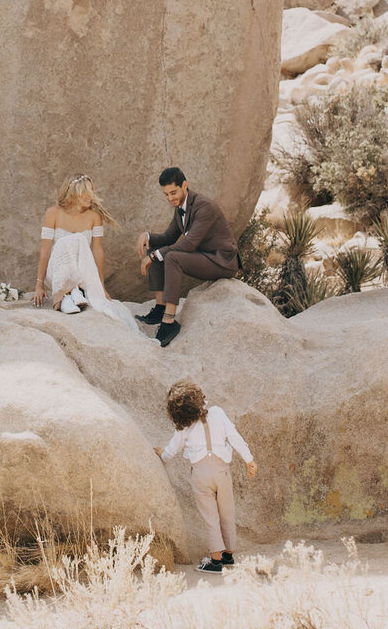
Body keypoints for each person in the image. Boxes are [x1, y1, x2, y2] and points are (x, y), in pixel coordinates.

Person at [154, 379, 257, 572]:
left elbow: (171, 451)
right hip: (222, 471)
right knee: (227, 512)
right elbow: (234, 437)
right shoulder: (217, 413)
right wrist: (249, 460)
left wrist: (162, 453)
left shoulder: (184, 427)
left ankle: (215, 560)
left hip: (201, 474)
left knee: (210, 516)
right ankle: (228, 554)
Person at [136, 167, 240, 346]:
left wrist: (153, 257)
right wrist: (148, 236)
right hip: (204, 256)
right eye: (166, 194)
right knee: (156, 247)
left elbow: (189, 243)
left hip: (222, 260)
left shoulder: (204, 206)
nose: (170, 198)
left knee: (170, 257)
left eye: (173, 192)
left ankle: (168, 322)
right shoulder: (180, 208)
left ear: (185, 185)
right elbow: (169, 237)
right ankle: (160, 308)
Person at [33, 174, 136, 332]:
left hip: (82, 273)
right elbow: (46, 250)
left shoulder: (94, 217)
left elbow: (97, 251)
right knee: (70, 240)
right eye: (86, 191)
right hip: (57, 272)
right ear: (74, 191)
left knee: (79, 241)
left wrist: (101, 286)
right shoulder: (53, 213)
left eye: (92, 191)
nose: (91, 195)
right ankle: (65, 296)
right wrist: (39, 285)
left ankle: (76, 292)